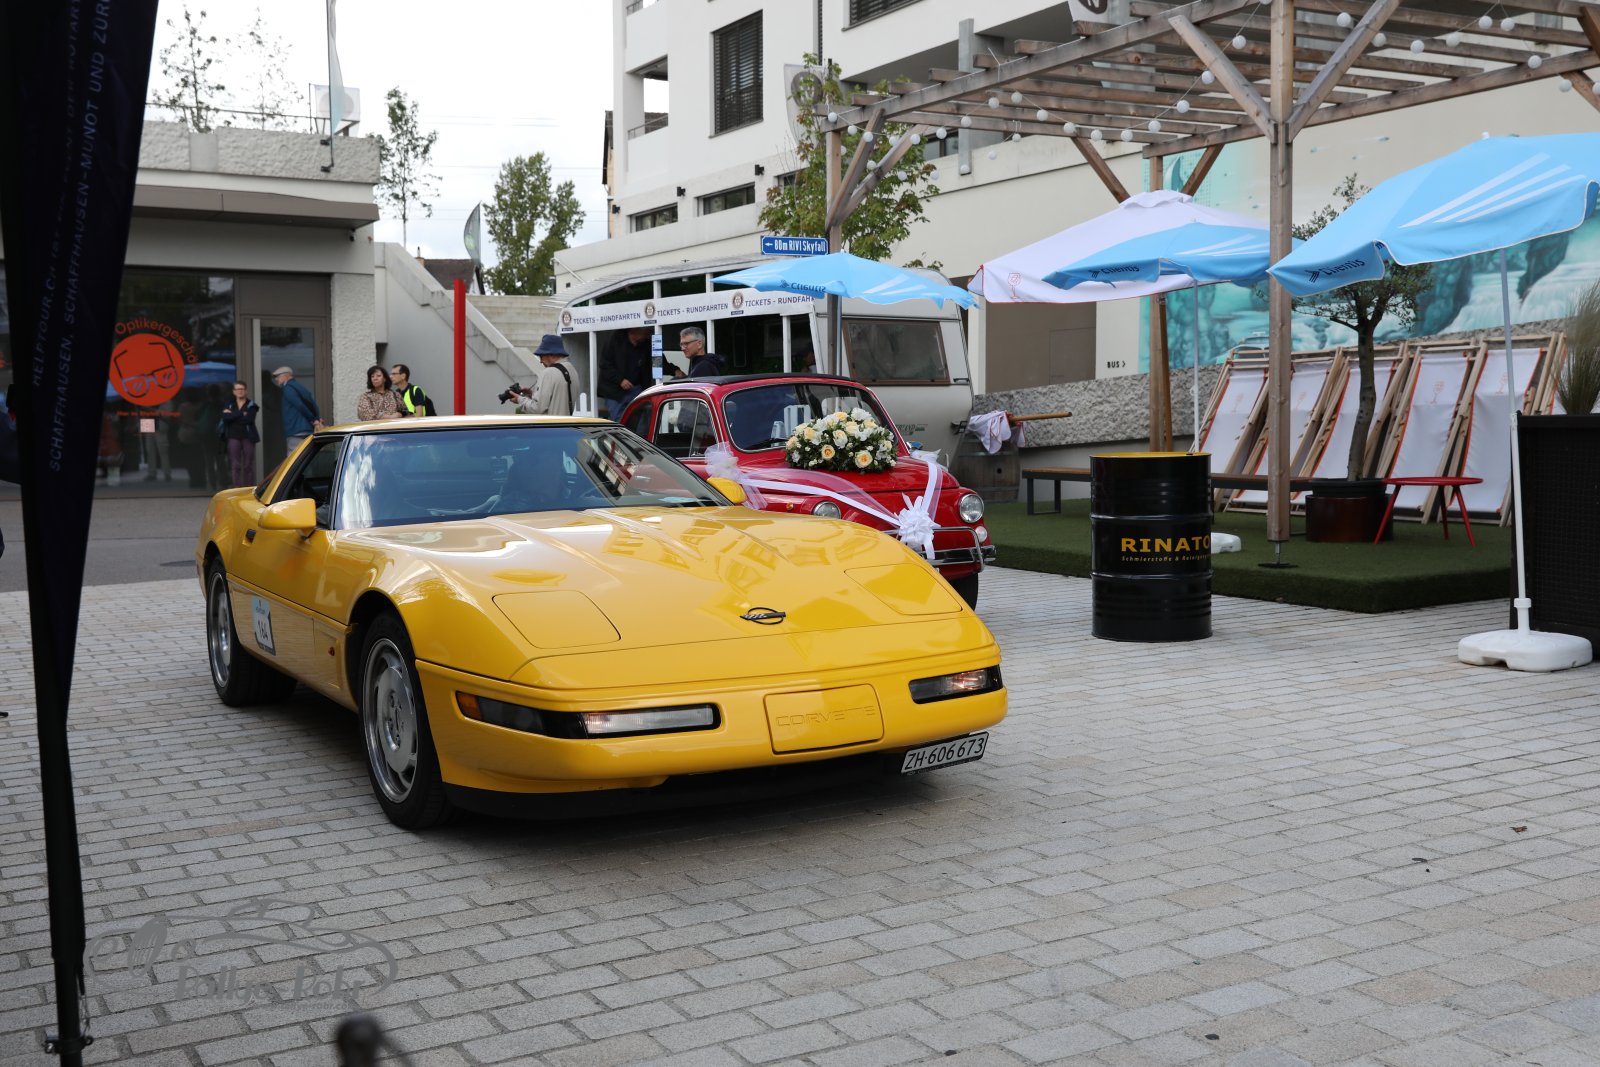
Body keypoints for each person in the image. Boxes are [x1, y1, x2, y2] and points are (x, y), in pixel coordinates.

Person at [514, 335, 579, 416]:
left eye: (541, 356)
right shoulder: (572, 370)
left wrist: (519, 399)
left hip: (551, 423)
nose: (540, 361)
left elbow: (537, 408)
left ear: (552, 354)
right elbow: (558, 399)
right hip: (568, 422)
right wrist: (531, 394)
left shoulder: (548, 373)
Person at [598, 327, 652, 417]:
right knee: (618, 419)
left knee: (641, 417)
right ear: (634, 331)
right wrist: (620, 380)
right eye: (646, 333)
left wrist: (673, 370)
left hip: (636, 389)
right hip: (614, 391)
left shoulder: (646, 344)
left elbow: (658, 359)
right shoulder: (615, 339)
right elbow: (605, 364)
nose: (648, 336)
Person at [219, 380, 260, 488]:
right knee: (235, 465)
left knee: (248, 465)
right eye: (237, 389)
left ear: (246, 391)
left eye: (242, 389)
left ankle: (249, 488)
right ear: (234, 391)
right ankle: (237, 488)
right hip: (233, 437)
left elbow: (249, 419)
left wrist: (233, 415)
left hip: (248, 437)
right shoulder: (229, 404)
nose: (240, 391)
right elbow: (225, 418)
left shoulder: (251, 405)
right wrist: (242, 413)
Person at [272, 366, 324, 452]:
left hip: (295, 430)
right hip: (306, 429)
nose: (276, 379)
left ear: (286, 375)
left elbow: (300, 405)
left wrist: (313, 419)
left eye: (278, 376)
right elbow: (313, 404)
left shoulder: (288, 389)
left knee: (294, 457)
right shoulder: (300, 387)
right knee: (305, 455)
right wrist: (316, 418)